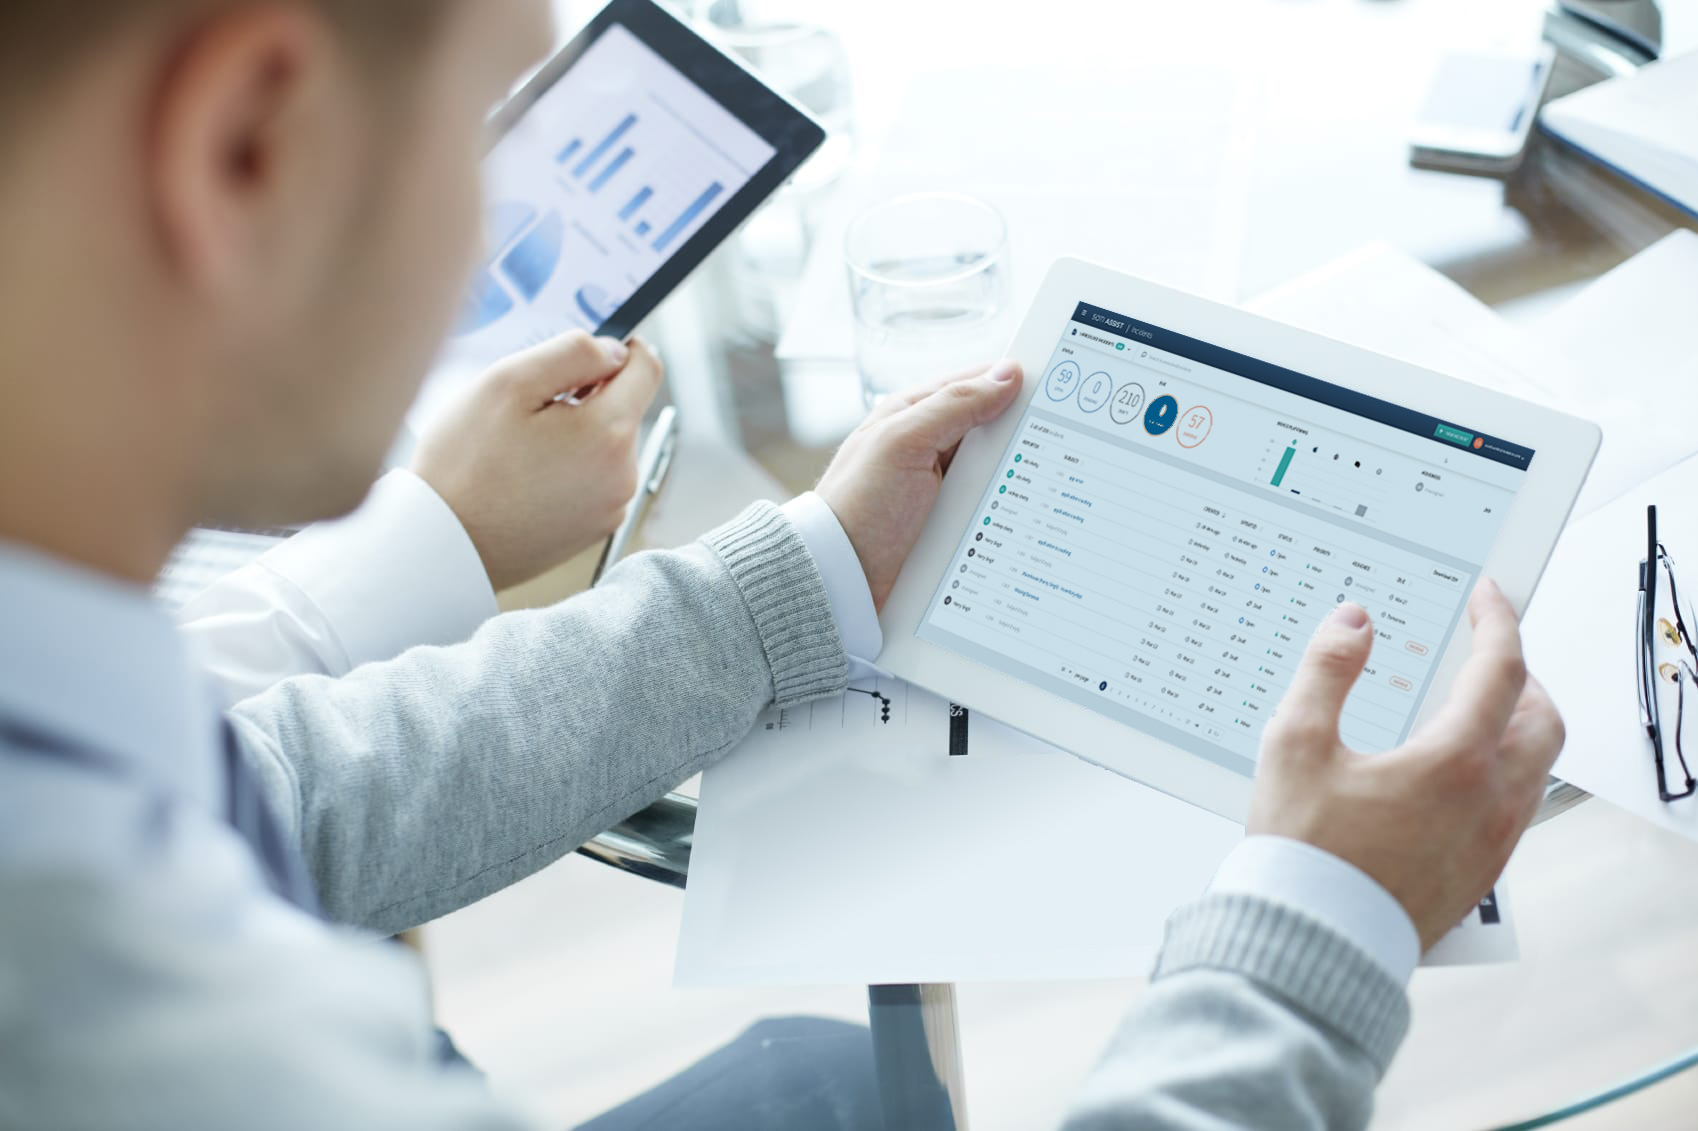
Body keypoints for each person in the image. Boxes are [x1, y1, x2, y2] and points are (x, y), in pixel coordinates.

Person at [0, 3, 1566, 1130]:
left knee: (826, 1078)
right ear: (242, 148)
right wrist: (1319, 929)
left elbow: (269, 787)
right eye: (488, 127)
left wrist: (807, 574)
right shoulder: (186, 1052)